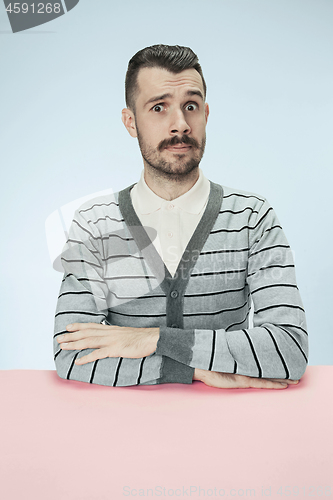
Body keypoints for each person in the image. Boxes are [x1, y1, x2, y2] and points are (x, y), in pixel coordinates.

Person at [53, 44, 308, 389]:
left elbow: (288, 351)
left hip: (231, 427)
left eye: (191, 106)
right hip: (119, 430)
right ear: (131, 121)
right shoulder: (95, 224)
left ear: (205, 113)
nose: (180, 125)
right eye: (159, 107)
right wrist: (194, 370)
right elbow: (71, 355)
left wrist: (154, 339)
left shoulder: (252, 219)